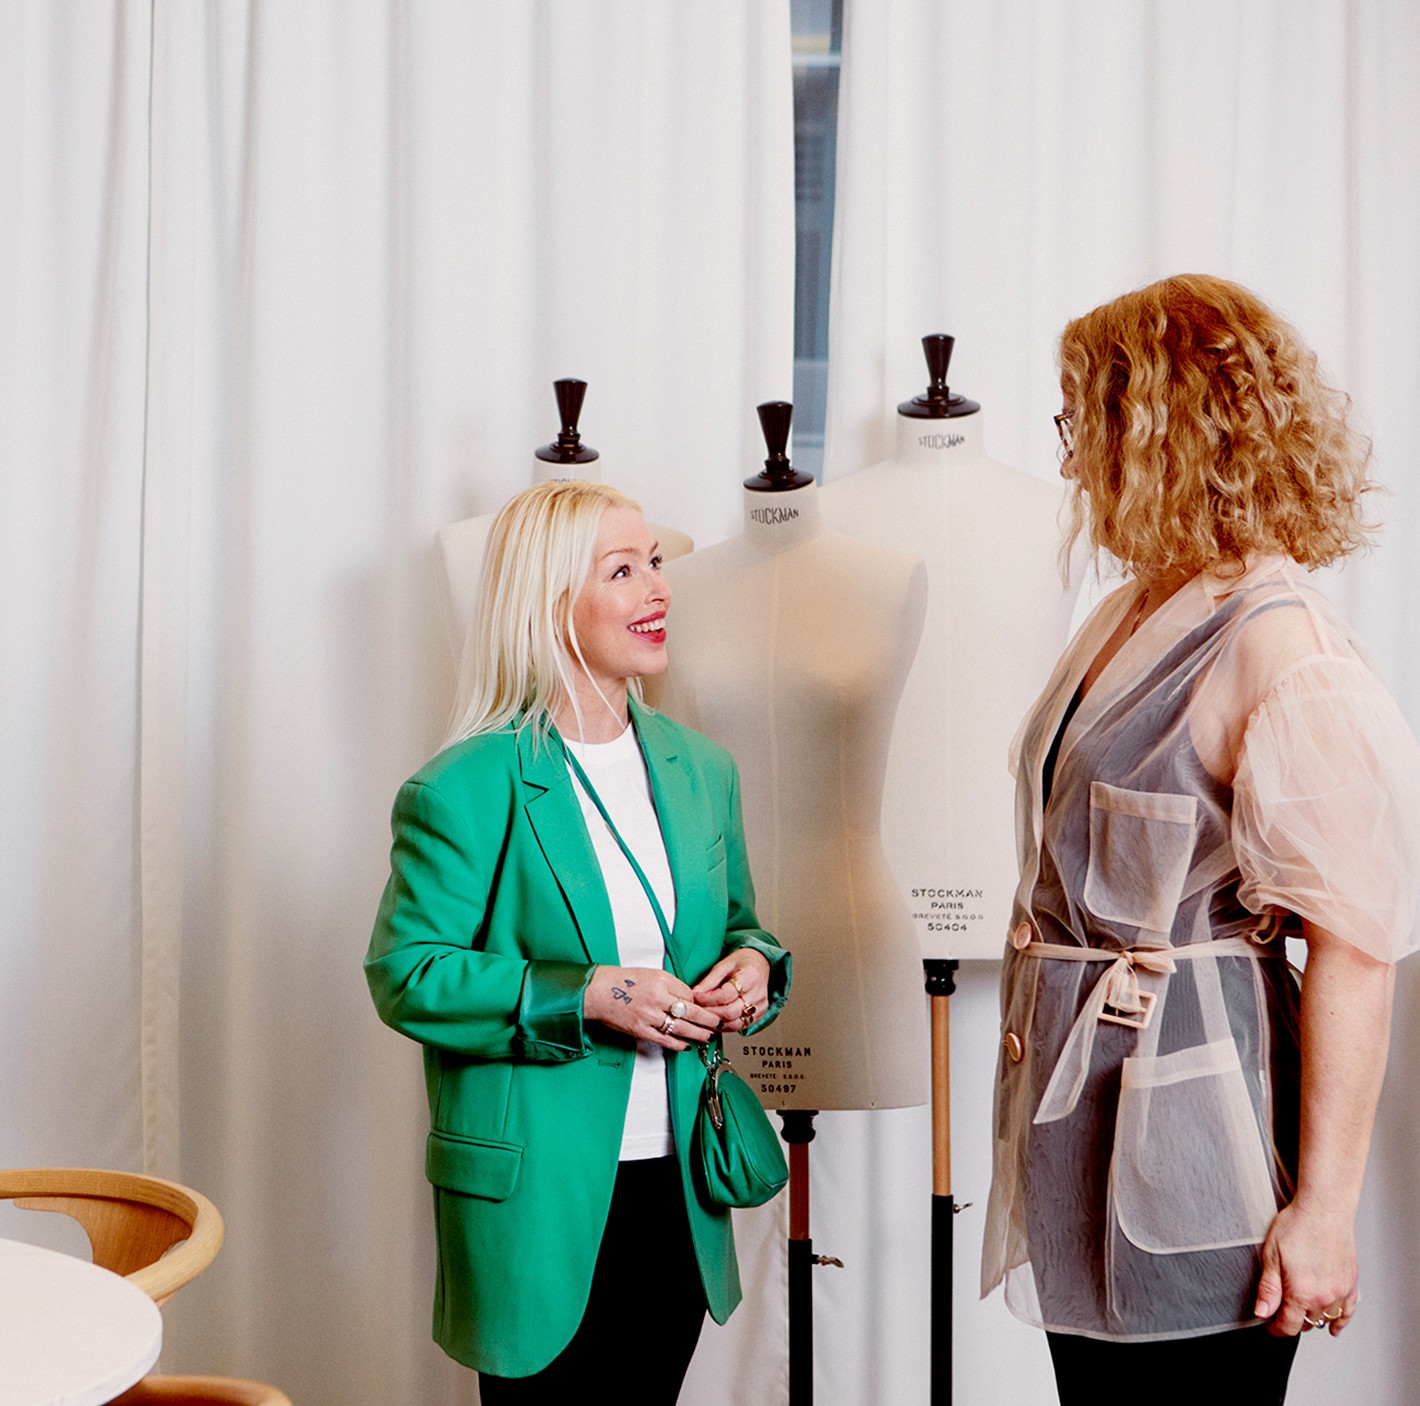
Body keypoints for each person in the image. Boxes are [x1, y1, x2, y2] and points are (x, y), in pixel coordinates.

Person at [980, 274, 1420, 1406]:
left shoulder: (1282, 648)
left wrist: (1321, 1210)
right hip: (1080, 1126)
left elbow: (1357, 950)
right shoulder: (1134, 606)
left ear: (1155, 425)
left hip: (1203, 1144)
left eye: (1081, 419)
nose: (1069, 453)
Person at [365, 480, 790, 1402]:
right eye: (623, 570)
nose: (658, 591)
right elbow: (406, 974)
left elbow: (745, 926)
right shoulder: (465, 786)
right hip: (537, 1200)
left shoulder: (699, 768)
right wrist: (586, 993)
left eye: (658, 565)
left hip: (680, 1184)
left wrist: (753, 968)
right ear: (551, 600)